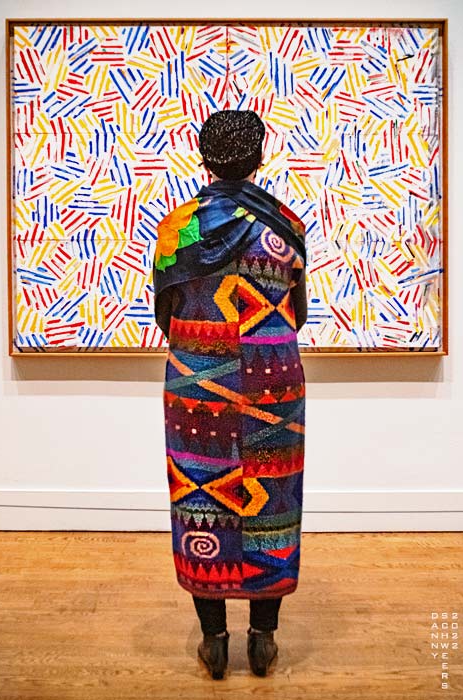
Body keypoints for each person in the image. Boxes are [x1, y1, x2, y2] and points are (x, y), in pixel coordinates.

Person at [153, 110, 307, 680]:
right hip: (274, 373)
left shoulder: (180, 228)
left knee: (200, 497)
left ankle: (214, 641)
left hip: (197, 372)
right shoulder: (285, 224)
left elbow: (166, 313)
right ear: (259, 157)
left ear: (203, 154)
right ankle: (263, 640)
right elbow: (299, 312)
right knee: (274, 497)